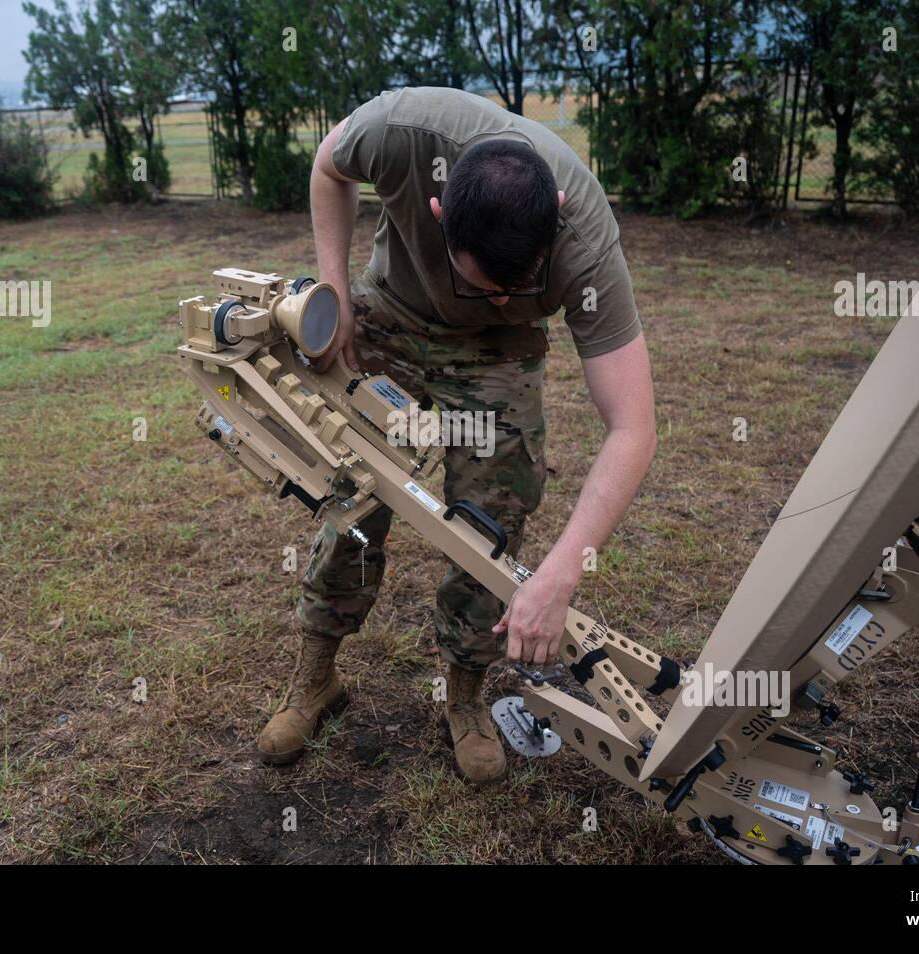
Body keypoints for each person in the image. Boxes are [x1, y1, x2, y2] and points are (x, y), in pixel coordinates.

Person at [258, 87, 656, 783]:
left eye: (517, 283)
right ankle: (315, 676)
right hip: (393, 316)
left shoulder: (586, 239)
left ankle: (465, 697)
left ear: (555, 221)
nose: (500, 294)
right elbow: (329, 167)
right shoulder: (400, 131)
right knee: (352, 490)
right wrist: (335, 293)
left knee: (493, 518)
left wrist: (561, 575)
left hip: (499, 355)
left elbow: (633, 426)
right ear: (439, 212)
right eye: (485, 281)